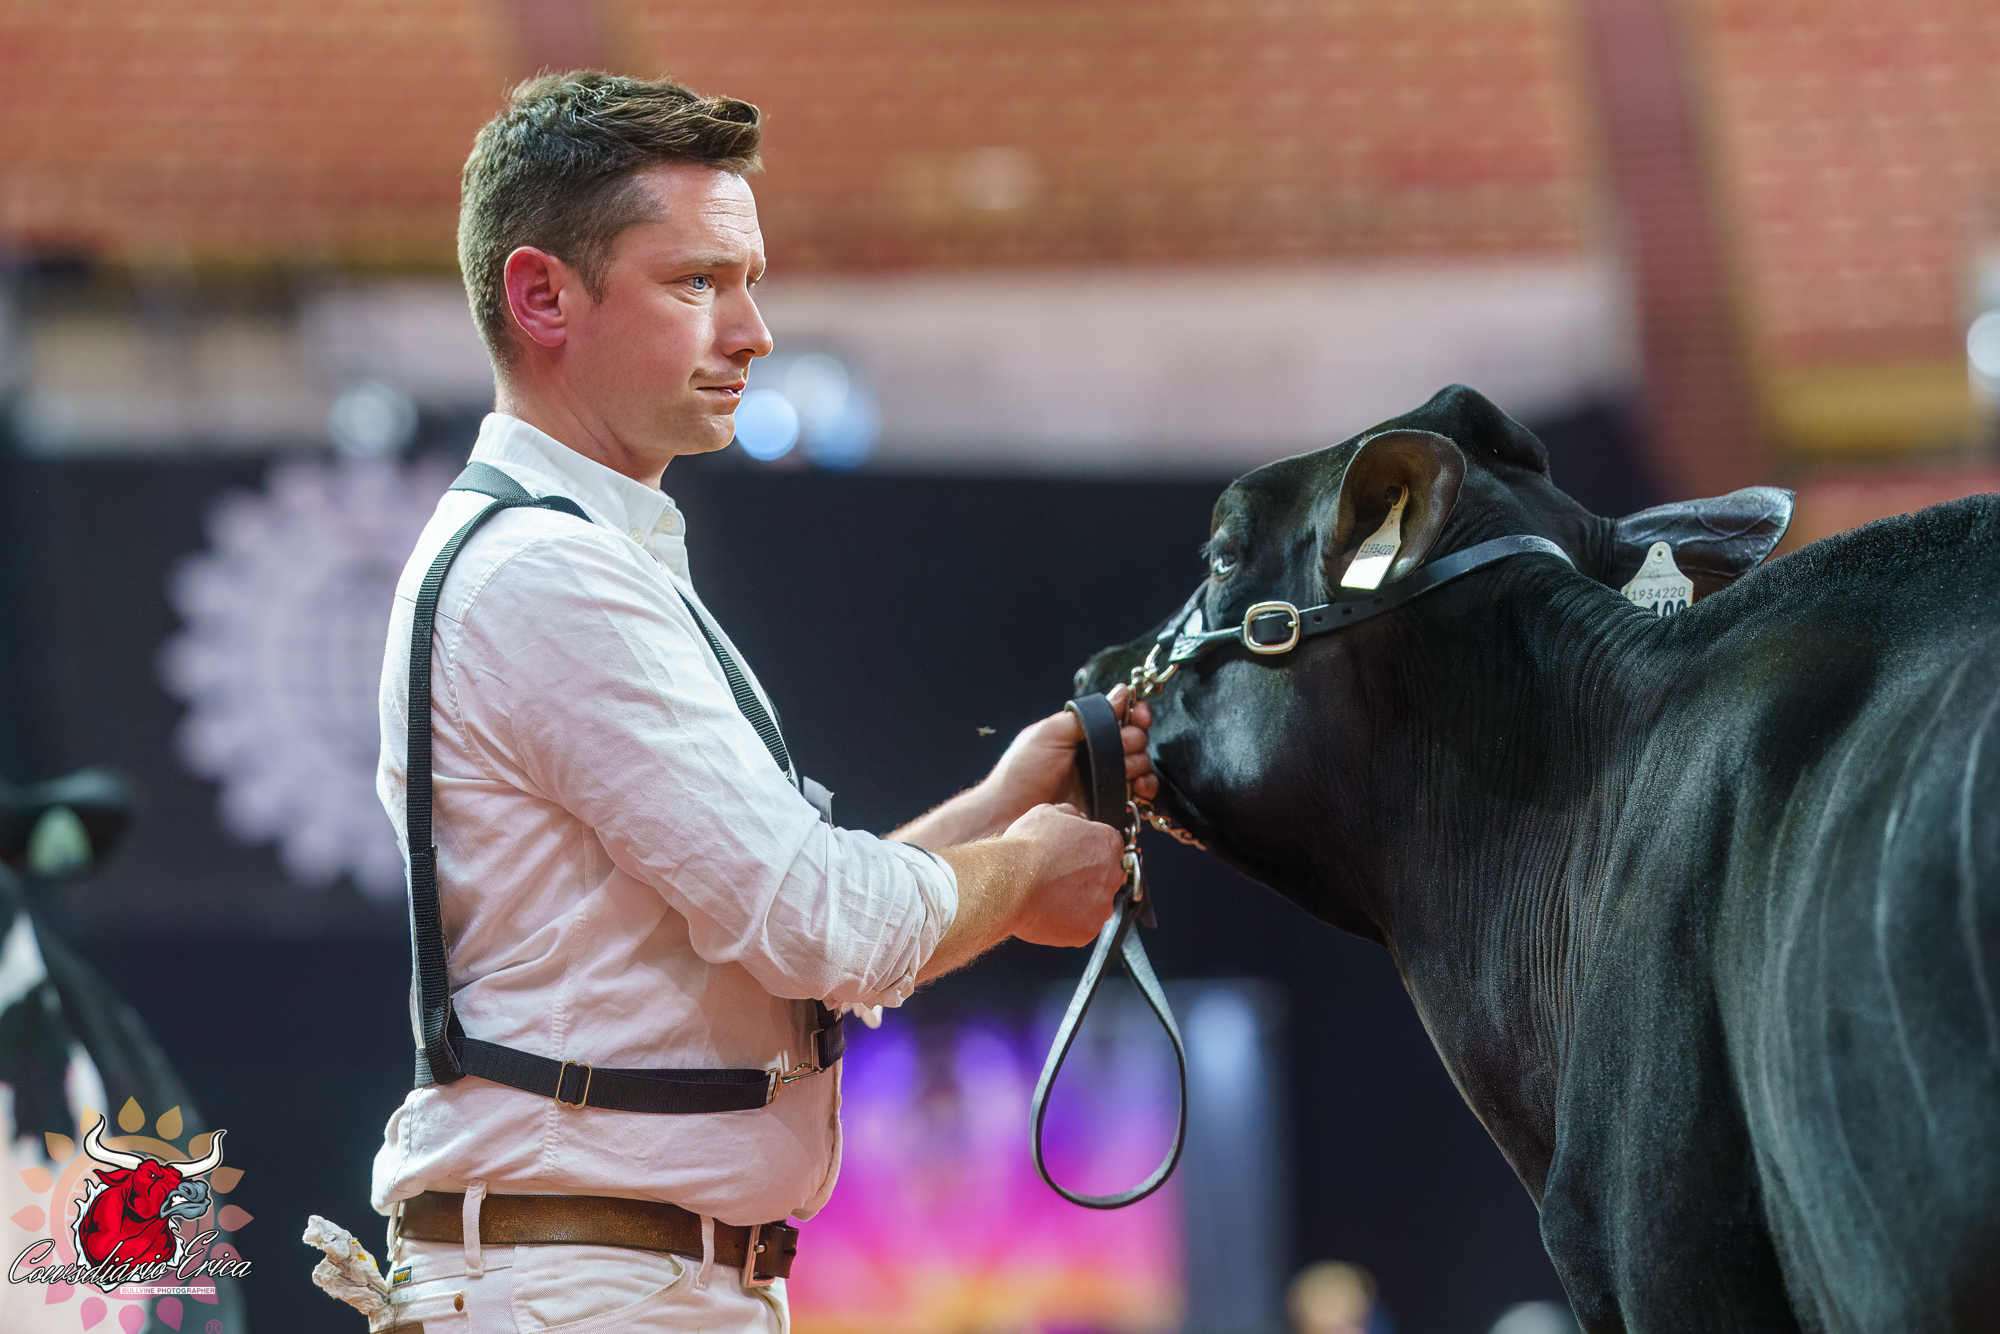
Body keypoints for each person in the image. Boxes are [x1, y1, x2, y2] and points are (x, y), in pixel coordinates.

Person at [366, 71, 1156, 1334]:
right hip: (584, 1288)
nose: (752, 331)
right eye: (697, 281)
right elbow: (818, 927)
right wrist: (1021, 869)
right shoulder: (547, 571)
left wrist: (1000, 805)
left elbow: (777, 938)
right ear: (541, 295)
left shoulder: (576, 549)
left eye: (748, 280)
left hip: (612, 1278)